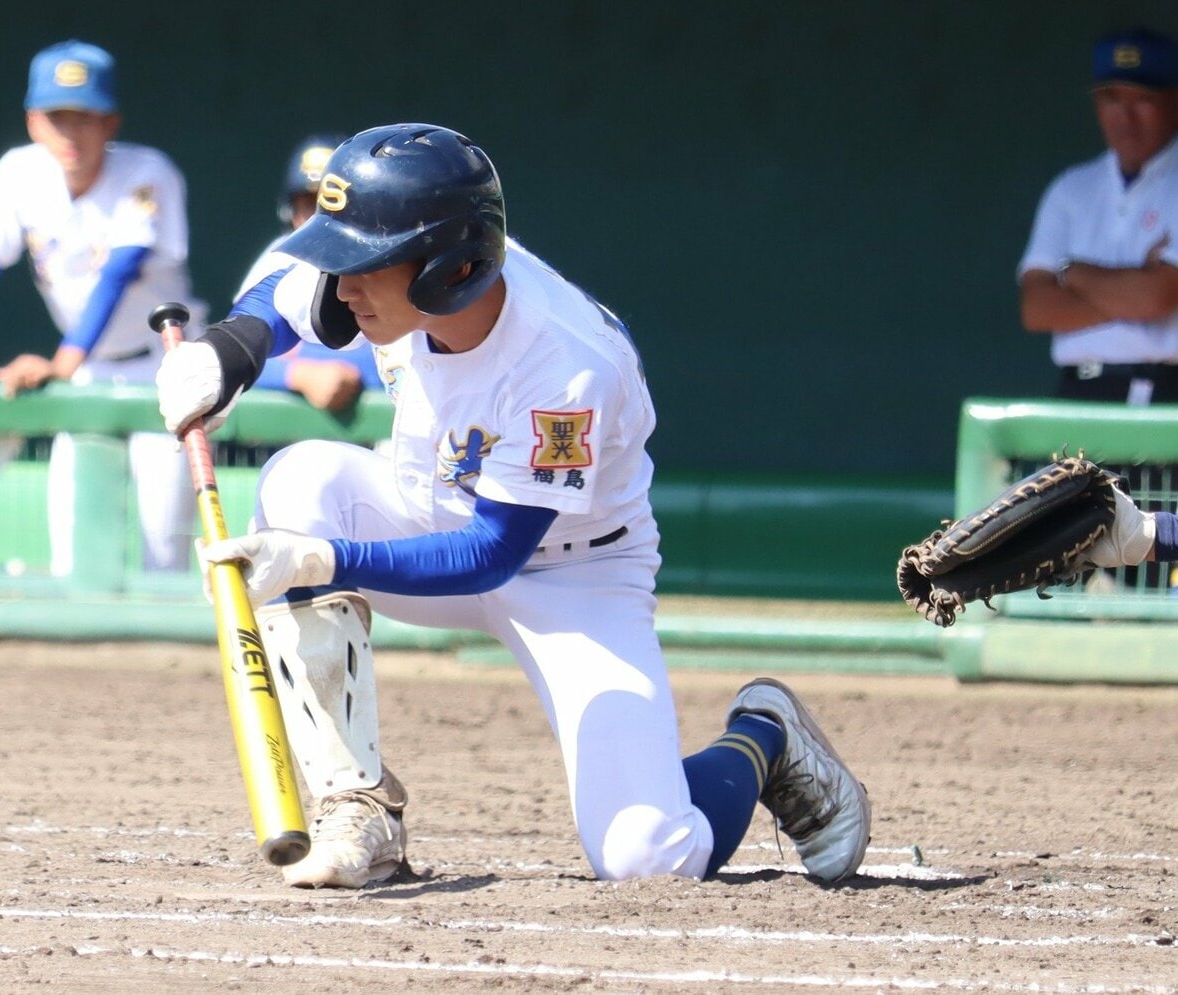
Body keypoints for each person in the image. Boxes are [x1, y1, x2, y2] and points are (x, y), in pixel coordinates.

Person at [154, 123, 872, 889]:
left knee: (648, 857)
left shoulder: (565, 365)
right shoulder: (399, 276)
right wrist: (228, 350)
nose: (343, 282)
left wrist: (319, 559)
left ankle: (763, 737)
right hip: (421, 513)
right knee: (302, 480)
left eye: (363, 262)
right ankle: (358, 805)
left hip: (574, 573)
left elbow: (491, 552)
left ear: (448, 268)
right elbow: (283, 292)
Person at [0, 40, 203, 575]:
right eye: (57, 117)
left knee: (164, 548)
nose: (70, 133)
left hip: (164, 366)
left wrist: (61, 364)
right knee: (72, 543)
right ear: (33, 122)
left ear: (110, 122)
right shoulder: (18, 173)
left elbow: (117, 274)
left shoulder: (147, 172)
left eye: (84, 117)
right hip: (85, 369)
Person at [1019, 27, 1178, 404]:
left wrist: (1070, 273)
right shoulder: (1070, 188)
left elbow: (1155, 298)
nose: (1125, 117)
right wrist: (1134, 289)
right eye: (1111, 99)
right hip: (1081, 390)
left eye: (1143, 99)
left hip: (1166, 391)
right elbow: (1036, 309)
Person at [241, 134, 382, 414]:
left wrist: (302, 355)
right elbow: (237, 350)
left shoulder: (382, 254)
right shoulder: (278, 257)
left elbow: (407, 356)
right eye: (310, 204)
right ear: (290, 212)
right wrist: (298, 374)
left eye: (332, 204)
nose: (322, 220)